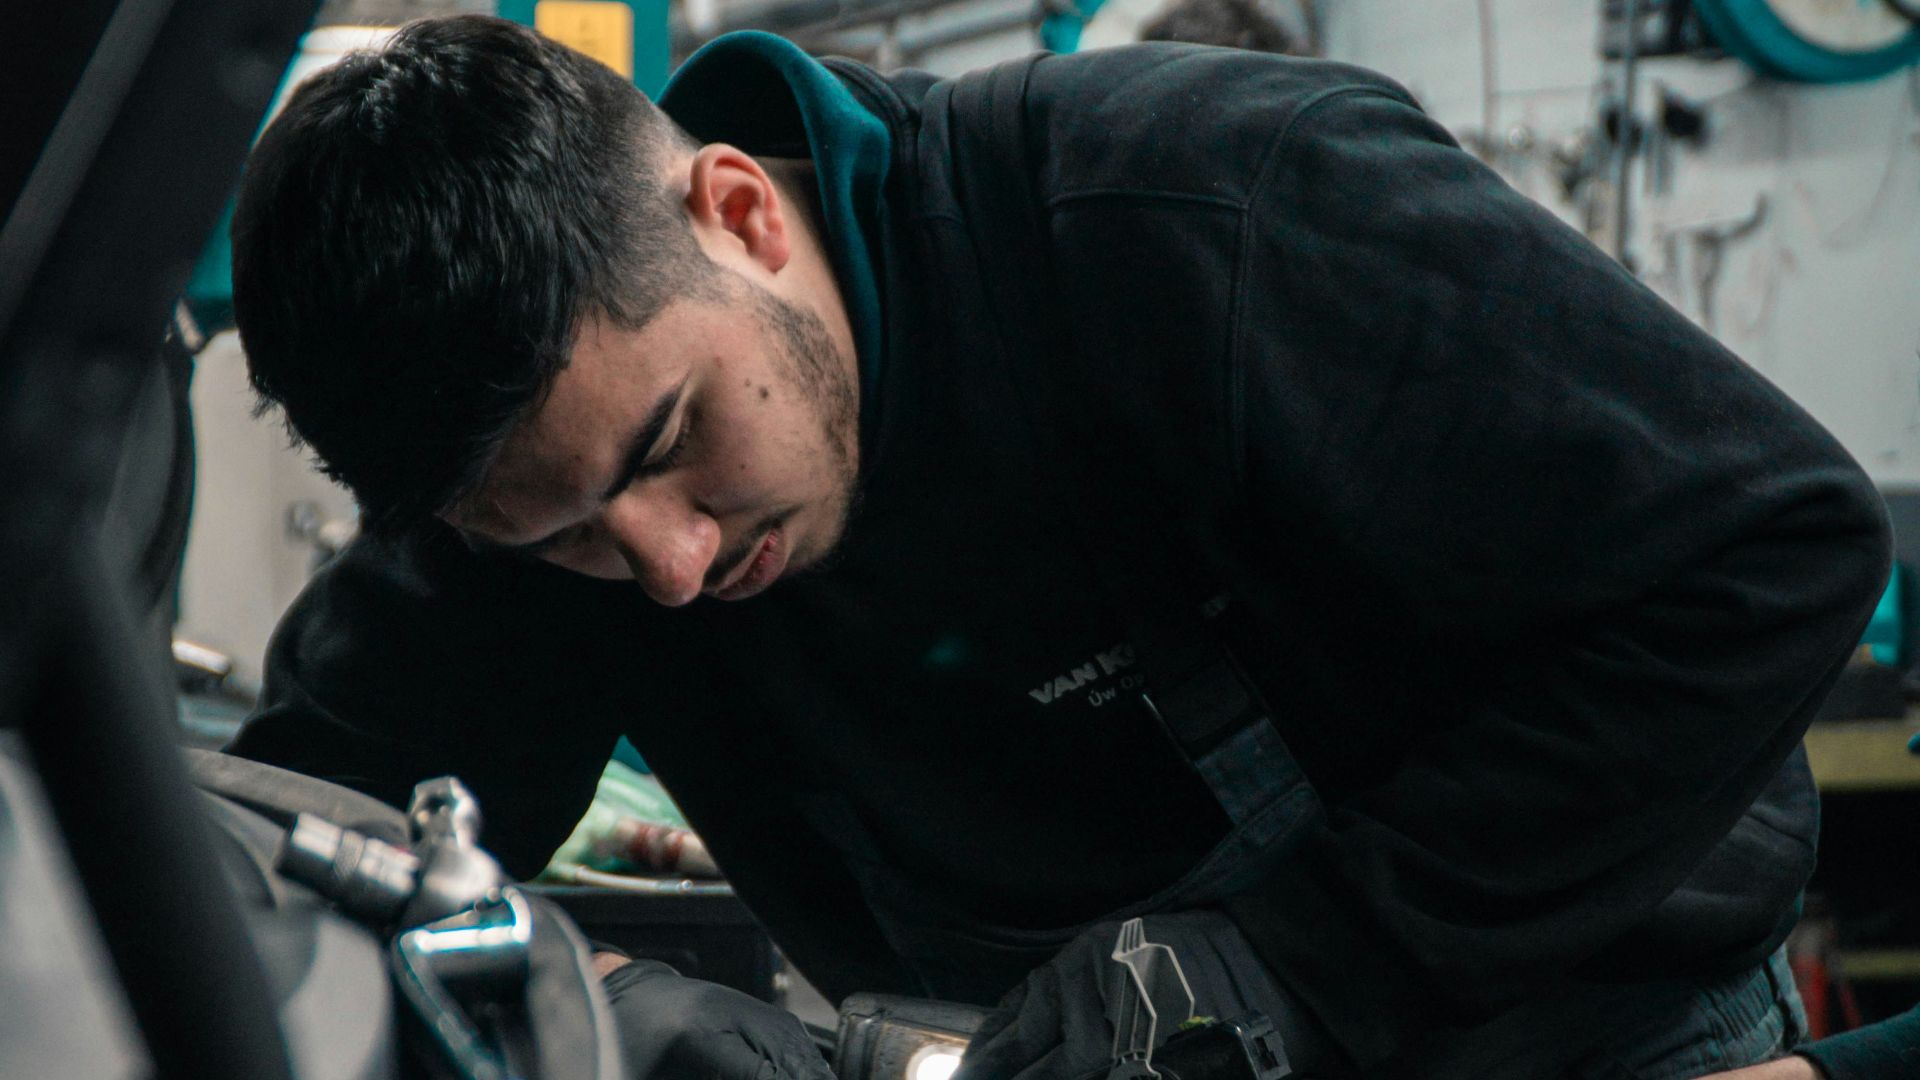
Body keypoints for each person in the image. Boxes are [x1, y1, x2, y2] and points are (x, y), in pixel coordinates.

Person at [225, 14, 1891, 1080]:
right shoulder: (527, 459)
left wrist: (1302, 960)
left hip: (1582, 1033)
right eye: (567, 537)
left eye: (671, 449)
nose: (665, 562)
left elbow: (1771, 553)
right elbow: (285, 859)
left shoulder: (1206, 211)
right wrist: (604, 1015)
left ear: (738, 211)